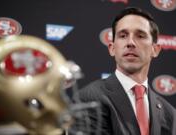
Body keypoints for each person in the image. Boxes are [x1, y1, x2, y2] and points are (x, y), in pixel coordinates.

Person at [71, 7, 176, 135]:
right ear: (112, 48)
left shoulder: (169, 113)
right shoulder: (89, 99)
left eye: (140, 36)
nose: (130, 42)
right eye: (123, 35)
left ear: (155, 49)